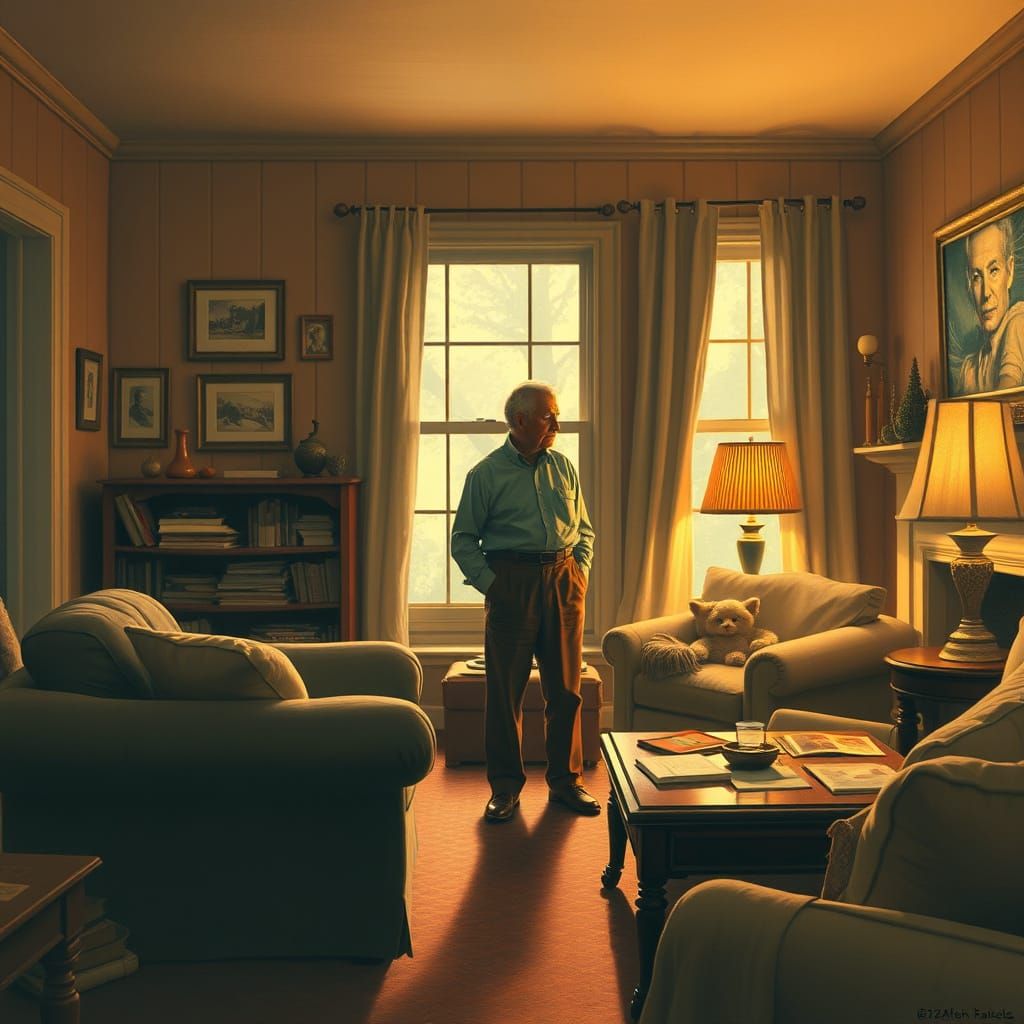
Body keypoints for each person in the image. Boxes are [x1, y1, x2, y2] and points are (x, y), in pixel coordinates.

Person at [451, 381, 597, 823]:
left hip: (564, 582)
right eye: (548, 415)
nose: (557, 422)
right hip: (510, 584)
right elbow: (463, 541)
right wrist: (494, 587)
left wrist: (580, 574)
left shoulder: (564, 467)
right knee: (504, 694)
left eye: (556, 414)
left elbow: (584, 530)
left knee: (566, 692)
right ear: (520, 421)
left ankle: (566, 783)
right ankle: (506, 789)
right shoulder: (486, 474)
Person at [953, 217, 1024, 396]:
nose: (985, 293)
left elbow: (1008, 395)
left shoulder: (1018, 322)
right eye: (977, 277)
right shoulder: (969, 367)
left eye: (994, 271)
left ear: (1010, 270)